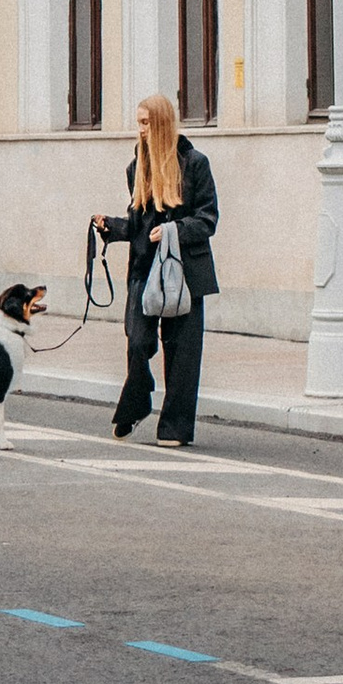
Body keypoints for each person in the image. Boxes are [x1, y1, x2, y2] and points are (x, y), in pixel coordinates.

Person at [95, 88, 218, 448]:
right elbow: (137, 224)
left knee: (182, 354)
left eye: (146, 123)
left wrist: (173, 230)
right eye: (139, 123)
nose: (141, 130)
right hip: (145, 271)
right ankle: (136, 403)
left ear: (162, 124)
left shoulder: (195, 164)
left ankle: (175, 429)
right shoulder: (137, 166)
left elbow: (208, 219)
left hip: (185, 274)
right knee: (138, 342)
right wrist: (110, 227)